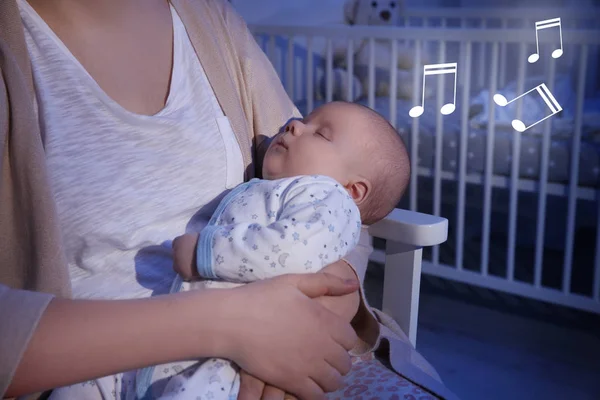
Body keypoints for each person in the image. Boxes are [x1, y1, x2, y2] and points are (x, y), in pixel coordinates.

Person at [0, 0, 458, 399]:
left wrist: (323, 302)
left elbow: (331, 202)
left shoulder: (213, 21)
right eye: (306, 123)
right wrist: (231, 325)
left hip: (278, 348)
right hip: (100, 370)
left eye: (317, 128)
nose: (294, 126)